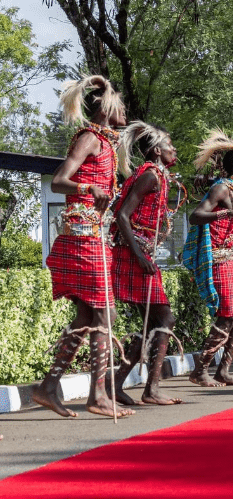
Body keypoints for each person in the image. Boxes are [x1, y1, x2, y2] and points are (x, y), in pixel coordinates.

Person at [35, 75, 131, 419]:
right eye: (120, 105)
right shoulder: (90, 138)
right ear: (106, 108)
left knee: (89, 316)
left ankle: (50, 387)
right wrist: (90, 189)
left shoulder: (106, 144)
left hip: (94, 237)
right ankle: (98, 395)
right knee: (106, 314)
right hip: (81, 237)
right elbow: (61, 181)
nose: (124, 111)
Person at [110, 121, 184, 405]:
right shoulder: (151, 176)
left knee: (152, 322)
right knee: (164, 318)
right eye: (169, 145)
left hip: (139, 254)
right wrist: (141, 256)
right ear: (155, 150)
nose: (174, 149)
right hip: (134, 255)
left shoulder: (158, 175)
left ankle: (119, 384)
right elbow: (123, 216)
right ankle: (149, 389)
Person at [186, 130, 233, 387]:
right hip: (219, 260)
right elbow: (195, 216)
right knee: (226, 315)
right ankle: (200, 370)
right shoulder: (221, 188)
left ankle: (223, 370)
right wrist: (224, 215)